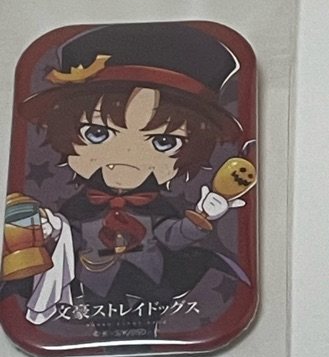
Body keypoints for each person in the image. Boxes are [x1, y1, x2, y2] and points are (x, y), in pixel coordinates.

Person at [12, 21, 250, 339]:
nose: (126, 154)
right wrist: (54, 229)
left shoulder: (157, 205)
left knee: (148, 326)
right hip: (94, 283)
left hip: (151, 282)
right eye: (98, 133)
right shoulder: (80, 205)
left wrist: (204, 215)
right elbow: (70, 236)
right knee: (100, 326)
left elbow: (172, 236)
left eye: (163, 141)